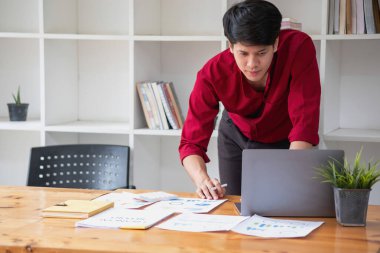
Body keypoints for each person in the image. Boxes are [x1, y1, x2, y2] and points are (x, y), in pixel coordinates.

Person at [179, 0, 321, 200]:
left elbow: (305, 119)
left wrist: (290, 175)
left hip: (286, 137)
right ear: (230, 46)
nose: (252, 64)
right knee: (237, 204)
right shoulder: (212, 73)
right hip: (235, 135)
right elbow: (191, 142)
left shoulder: (299, 47)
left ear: (276, 43)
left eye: (261, 53)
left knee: (287, 202)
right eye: (243, 53)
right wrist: (203, 181)